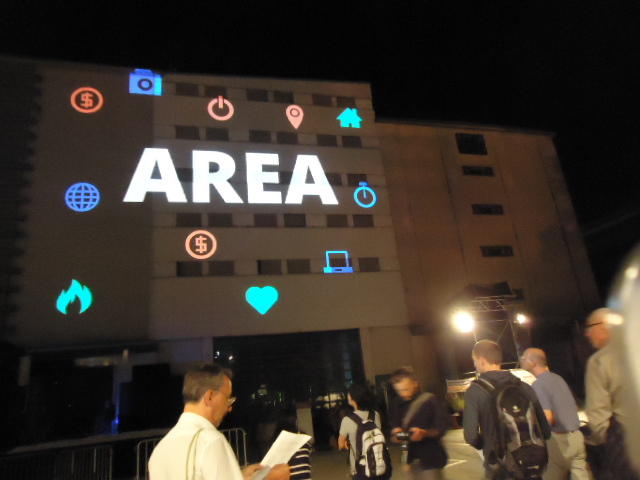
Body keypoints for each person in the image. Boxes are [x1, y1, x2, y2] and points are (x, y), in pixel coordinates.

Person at [148, 363, 290, 480]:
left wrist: (239, 475)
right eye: (228, 398)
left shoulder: (160, 449)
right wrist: (270, 478)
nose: (229, 407)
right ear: (209, 397)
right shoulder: (209, 440)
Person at [463, 340, 550, 479]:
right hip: (531, 464)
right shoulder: (524, 387)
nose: (475, 365)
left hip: (500, 466)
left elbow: (470, 436)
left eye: (474, 360)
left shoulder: (475, 391)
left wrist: (487, 443)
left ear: (481, 360)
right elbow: (545, 430)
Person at [584, 308, 639, 480]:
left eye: (590, 327)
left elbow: (598, 417)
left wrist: (610, 442)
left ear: (604, 326)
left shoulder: (599, 361)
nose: (587, 334)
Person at [520, 348, 591, 480]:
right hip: (576, 436)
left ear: (532, 362)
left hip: (560, 441)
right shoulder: (558, 379)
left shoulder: (539, 385)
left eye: (524, 358)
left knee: (552, 474)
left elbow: (547, 418)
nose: (521, 360)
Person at [389, 367, 448, 480]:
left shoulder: (429, 400)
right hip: (410, 460)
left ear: (415, 383)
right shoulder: (396, 403)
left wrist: (424, 433)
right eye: (399, 390)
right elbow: (394, 432)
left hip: (431, 459)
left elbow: (442, 428)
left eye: (406, 389)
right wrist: (395, 436)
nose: (403, 394)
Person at [338, 384, 384, 479]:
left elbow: (341, 445)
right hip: (377, 465)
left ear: (353, 399)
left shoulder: (347, 420)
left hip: (358, 468)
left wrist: (348, 443)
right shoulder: (375, 415)